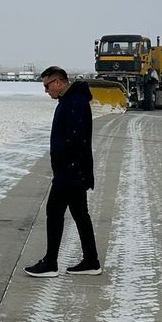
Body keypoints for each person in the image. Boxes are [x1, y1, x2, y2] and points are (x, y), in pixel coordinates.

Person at [25, 67, 101, 277]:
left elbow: (76, 139)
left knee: (54, 212)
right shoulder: (70, 101)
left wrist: (67, 168)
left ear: (58, 82)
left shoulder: (75, 103)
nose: (46, 90)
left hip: (70, 172)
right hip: (73, 171)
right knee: (80, 214)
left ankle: (50, 263)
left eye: (47, 86)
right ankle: (91, 261)